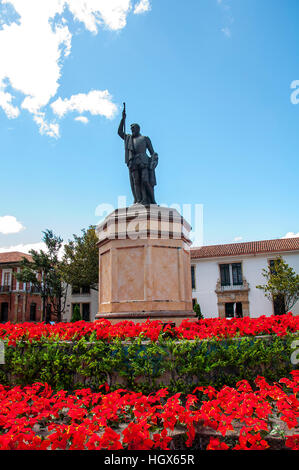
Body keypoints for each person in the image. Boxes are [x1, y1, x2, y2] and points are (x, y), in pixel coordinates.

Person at [118, 108, 158, 205]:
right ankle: (139, 199)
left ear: (138, 129)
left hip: (144, 161)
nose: (132, 131)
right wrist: (122, 119)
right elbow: (119, 132)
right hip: (134, 162)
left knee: (145, 180)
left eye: (133, 129)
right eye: (131, 129)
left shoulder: (145, 138)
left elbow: (152, 152)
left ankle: (149, 199)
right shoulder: (129, 138)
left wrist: (154, 161)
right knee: (136, 181)